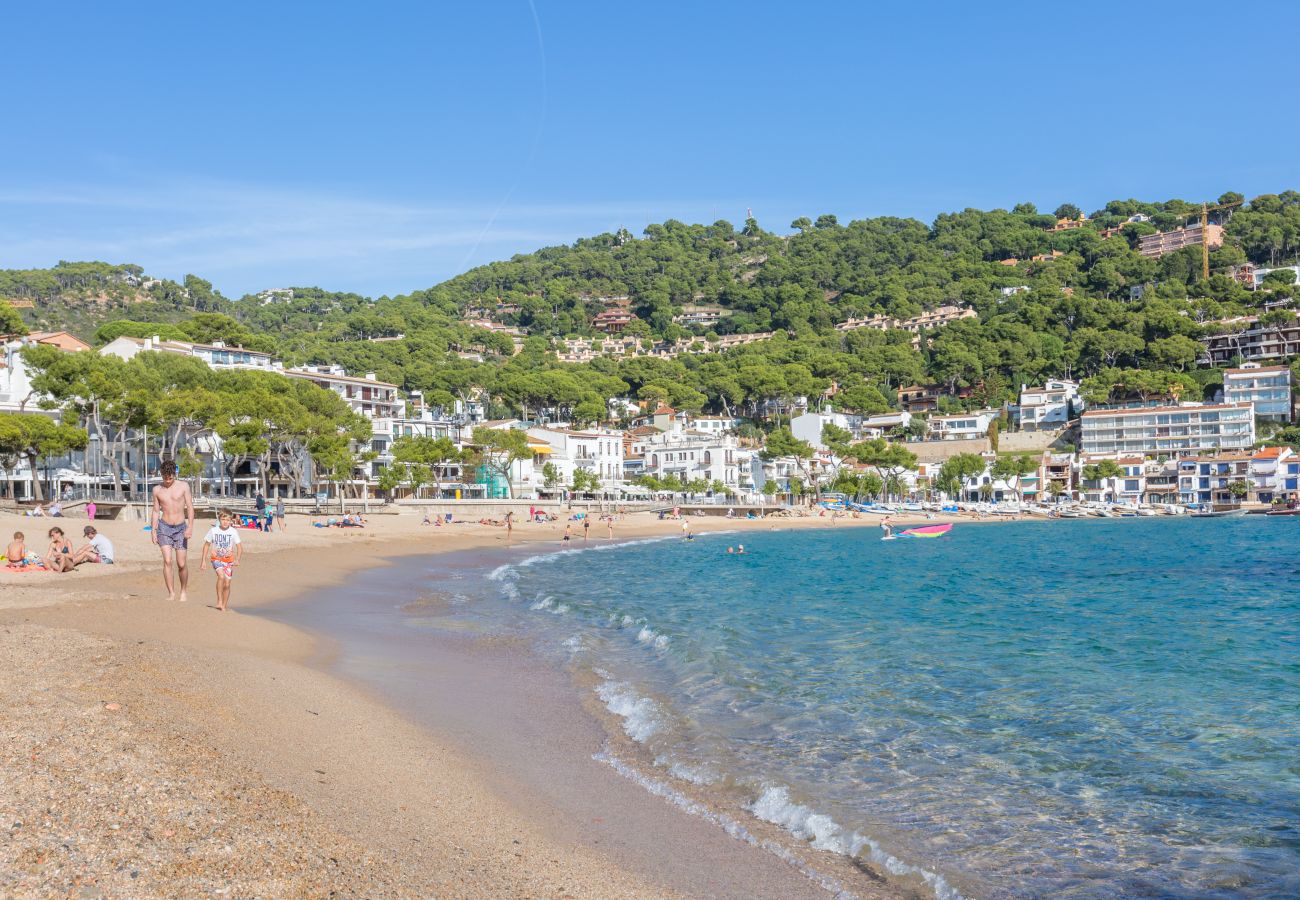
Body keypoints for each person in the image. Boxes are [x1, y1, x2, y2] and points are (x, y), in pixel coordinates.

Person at [151, 460, 195, 603]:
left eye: (170, 478)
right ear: (161, 475)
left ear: (174, 475)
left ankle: (183, 591)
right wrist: (153, 530)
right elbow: (156, 511)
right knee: (168, 560)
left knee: (181, 563)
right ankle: (171, 593)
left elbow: (190, 507)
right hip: (164, 528)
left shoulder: (184, 486)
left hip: (181, 528)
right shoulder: (157, 490)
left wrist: (190, 527)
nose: (168, 480)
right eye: (165, 478)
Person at [200, 509, 243, 612]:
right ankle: (219, 601)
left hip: (228, 561)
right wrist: (203, 561)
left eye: (227, 520)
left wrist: (237, 559)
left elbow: (239, 547)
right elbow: (206, 545)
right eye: (223, 519)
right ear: (219, 519)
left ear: (231, 521)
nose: (225, 522)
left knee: (227, 584)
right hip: (216, 558)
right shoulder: (213, 530)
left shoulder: (233, 531)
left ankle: (224, 605)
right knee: (221, 576)